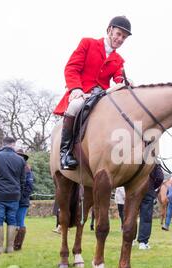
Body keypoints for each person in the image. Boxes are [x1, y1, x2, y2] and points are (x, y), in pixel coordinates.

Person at [53, 16, 132, 170]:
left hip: (101, 95)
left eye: (124, 37)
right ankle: (65, 153)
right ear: (110, 30)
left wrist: (124, 81)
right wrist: (76, 88)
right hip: (81, 92)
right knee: (75, 107)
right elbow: (71, 68)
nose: (120, 39)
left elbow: (118, 77)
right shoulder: (87, 43)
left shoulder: (119, 60)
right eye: (118, 34)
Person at [0, 137, 26, 255]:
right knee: (12, 219)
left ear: (2, 144)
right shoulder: (20, 160)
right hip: (14, 195)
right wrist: (19, 192)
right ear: (13, 145)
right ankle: (10, 248)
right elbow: (22, 180)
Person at [137, 164, 164, 249]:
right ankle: (143, 242)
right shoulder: (154, 161)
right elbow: (160, 177)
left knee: (131, 216)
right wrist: (153, 186)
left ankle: (130, 239)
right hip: (147, 191)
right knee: (146, 217)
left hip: (134, 191)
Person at [14, 149, 34, 251]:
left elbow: (29, 186)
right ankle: (13, 243)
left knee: (20, 221)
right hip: (13, 199)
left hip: (22, 201)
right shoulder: (13, 168)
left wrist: (21, 196)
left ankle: (17, 245)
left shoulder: (27, 170)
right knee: (13, 221)